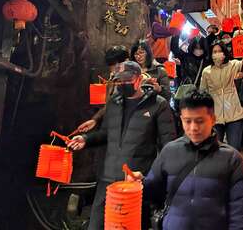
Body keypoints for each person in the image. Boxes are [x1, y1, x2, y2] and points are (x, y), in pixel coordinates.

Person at [68, 61, 176, 230]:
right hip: (108, 180)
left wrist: (153, 178)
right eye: (119, 81)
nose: (123, 84)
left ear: (139, 79)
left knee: (128, 226)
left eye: (127, 80)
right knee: (96, 225)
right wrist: (86, 139)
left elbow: (168, 147)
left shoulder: (158, 105)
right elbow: (106, 134)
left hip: (134, 183)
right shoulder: (114, 103)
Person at [127, 89, 243, 230]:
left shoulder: (232, 159)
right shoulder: (169, 151)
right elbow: (153, 193)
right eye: (188, 121)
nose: (193, 128)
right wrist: (139, 183)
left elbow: (240, 214)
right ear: (181, 120)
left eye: (200, 121)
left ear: (213, 120)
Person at [200, 41, 243, 151]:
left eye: (220, 51)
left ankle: (233, 167)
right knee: (215, 148)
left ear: (225, 52)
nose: (217, 54)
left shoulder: (234, 64)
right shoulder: (207, 71)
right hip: (215, 115)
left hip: (235, 113)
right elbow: (203, 91)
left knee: (234, 148)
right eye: (214, 52)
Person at [76, 45, 129, 133]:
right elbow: (107, 105)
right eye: (110, 65)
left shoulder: (137, 80)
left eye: (115, 65)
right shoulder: (112, 80)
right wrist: (94, 120)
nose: (112, 69)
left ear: (127, 61)